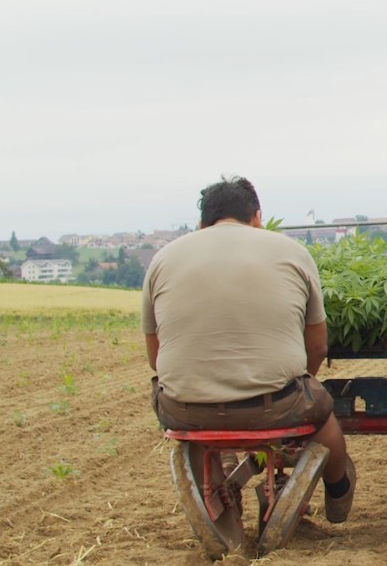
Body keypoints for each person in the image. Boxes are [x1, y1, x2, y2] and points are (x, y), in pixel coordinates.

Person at [143, 176, 355, 523]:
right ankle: (339, 490)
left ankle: (218, 470)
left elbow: (155, 358)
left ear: (201, 224)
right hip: (277, 406)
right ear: (257, 217)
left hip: (183, 411)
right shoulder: (292, 253)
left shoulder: (162, 259)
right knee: (322, 414)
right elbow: (317, 345)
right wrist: (296, 384)